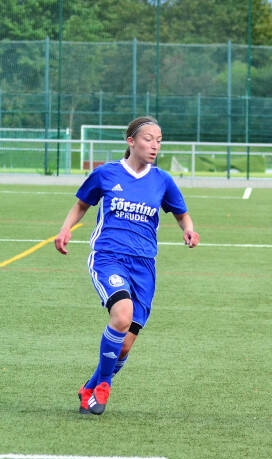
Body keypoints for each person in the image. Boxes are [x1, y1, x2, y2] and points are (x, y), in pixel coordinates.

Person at [55, 116, 200, 415]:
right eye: (148, 139)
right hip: (109, 257)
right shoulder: (106, 174)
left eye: (159, 140)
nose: (155, 145)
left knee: (123, 346)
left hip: (144, 266)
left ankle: (89, 388)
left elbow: (181, 213)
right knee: (122, 315)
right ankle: (104, 385)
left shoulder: (162, 180)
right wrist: (65, 229)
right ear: (131, 141)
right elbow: (82, 204)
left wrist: (188, 229)